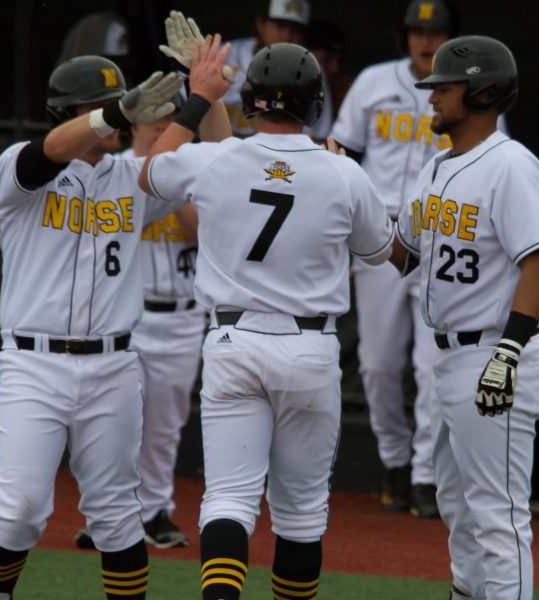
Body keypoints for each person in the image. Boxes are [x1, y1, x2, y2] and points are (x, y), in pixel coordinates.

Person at [139, 34, 393, 600]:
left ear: (250, 98)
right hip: (309, 347)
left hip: (232, 340)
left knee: (228, 499)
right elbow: (384, 254)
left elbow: (150, 171)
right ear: (315, 101)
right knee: (300, 511)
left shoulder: (217, 159)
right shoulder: (342, 172)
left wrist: (200, 97)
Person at [0, 56, 182, 599]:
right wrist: (117, 112)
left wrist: (205, 93)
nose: (117, 119)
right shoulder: (17, 169)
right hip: (32, 362)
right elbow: (44, 155)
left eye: (118, 108)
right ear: (66, 112)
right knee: (20, 507)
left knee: (117, 514)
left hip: (112, 365)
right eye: (100, 108)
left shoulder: (135, 177)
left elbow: (213, 163)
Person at [390, 34, 539, 600]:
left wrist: (508, 353)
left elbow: (538, 262)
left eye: (445, 86)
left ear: (482, 90)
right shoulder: (438, 166)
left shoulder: (511, 165)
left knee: (497, 516)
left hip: (493, 351)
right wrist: (352, 198)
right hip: (448, 356)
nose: (432, 96)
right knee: (457, 508)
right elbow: (402, 254)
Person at [329, 0, 462, 517]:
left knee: (432, 366)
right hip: (381, 234)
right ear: (404, 36)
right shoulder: (373, 81)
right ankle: (394, 465)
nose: (425, 41)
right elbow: (340, 150)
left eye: (435, 31)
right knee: (378, 364)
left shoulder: (464, 85)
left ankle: (427, 476)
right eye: (417, 31)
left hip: (439, 235)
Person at [74, 96, 212, 550]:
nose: (164, 126)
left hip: (180, 318)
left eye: (173, 120)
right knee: (114, 422)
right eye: (157, 120)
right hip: (126, 319)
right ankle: (105, 515)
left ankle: (153, 511)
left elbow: (200, 232)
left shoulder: (185, 172)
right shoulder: (112, 175)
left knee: (164, 425)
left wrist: (172, 180)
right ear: (134, 124)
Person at [221, 0, 331, 137]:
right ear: (260, 24)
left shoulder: (311, 70)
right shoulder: (223, 56)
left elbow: (318, 135)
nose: (287, 36)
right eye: (280, 26)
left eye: (295, 30)